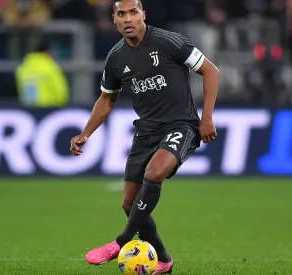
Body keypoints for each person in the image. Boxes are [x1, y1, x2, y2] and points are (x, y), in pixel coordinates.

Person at [69, 0, 220, 273]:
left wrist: (206, 117)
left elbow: (210, 70)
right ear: (114, 20)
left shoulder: (168, 42)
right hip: (145, 132)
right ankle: (163, 260)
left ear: (143, 15)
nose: (128, 19)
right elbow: (106, 100)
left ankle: (121, 242)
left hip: (181, 125)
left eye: (133, 12)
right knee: (129, 202)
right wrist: (85, 133)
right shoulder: (115, 57)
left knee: (154, 173)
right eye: (121, 14)